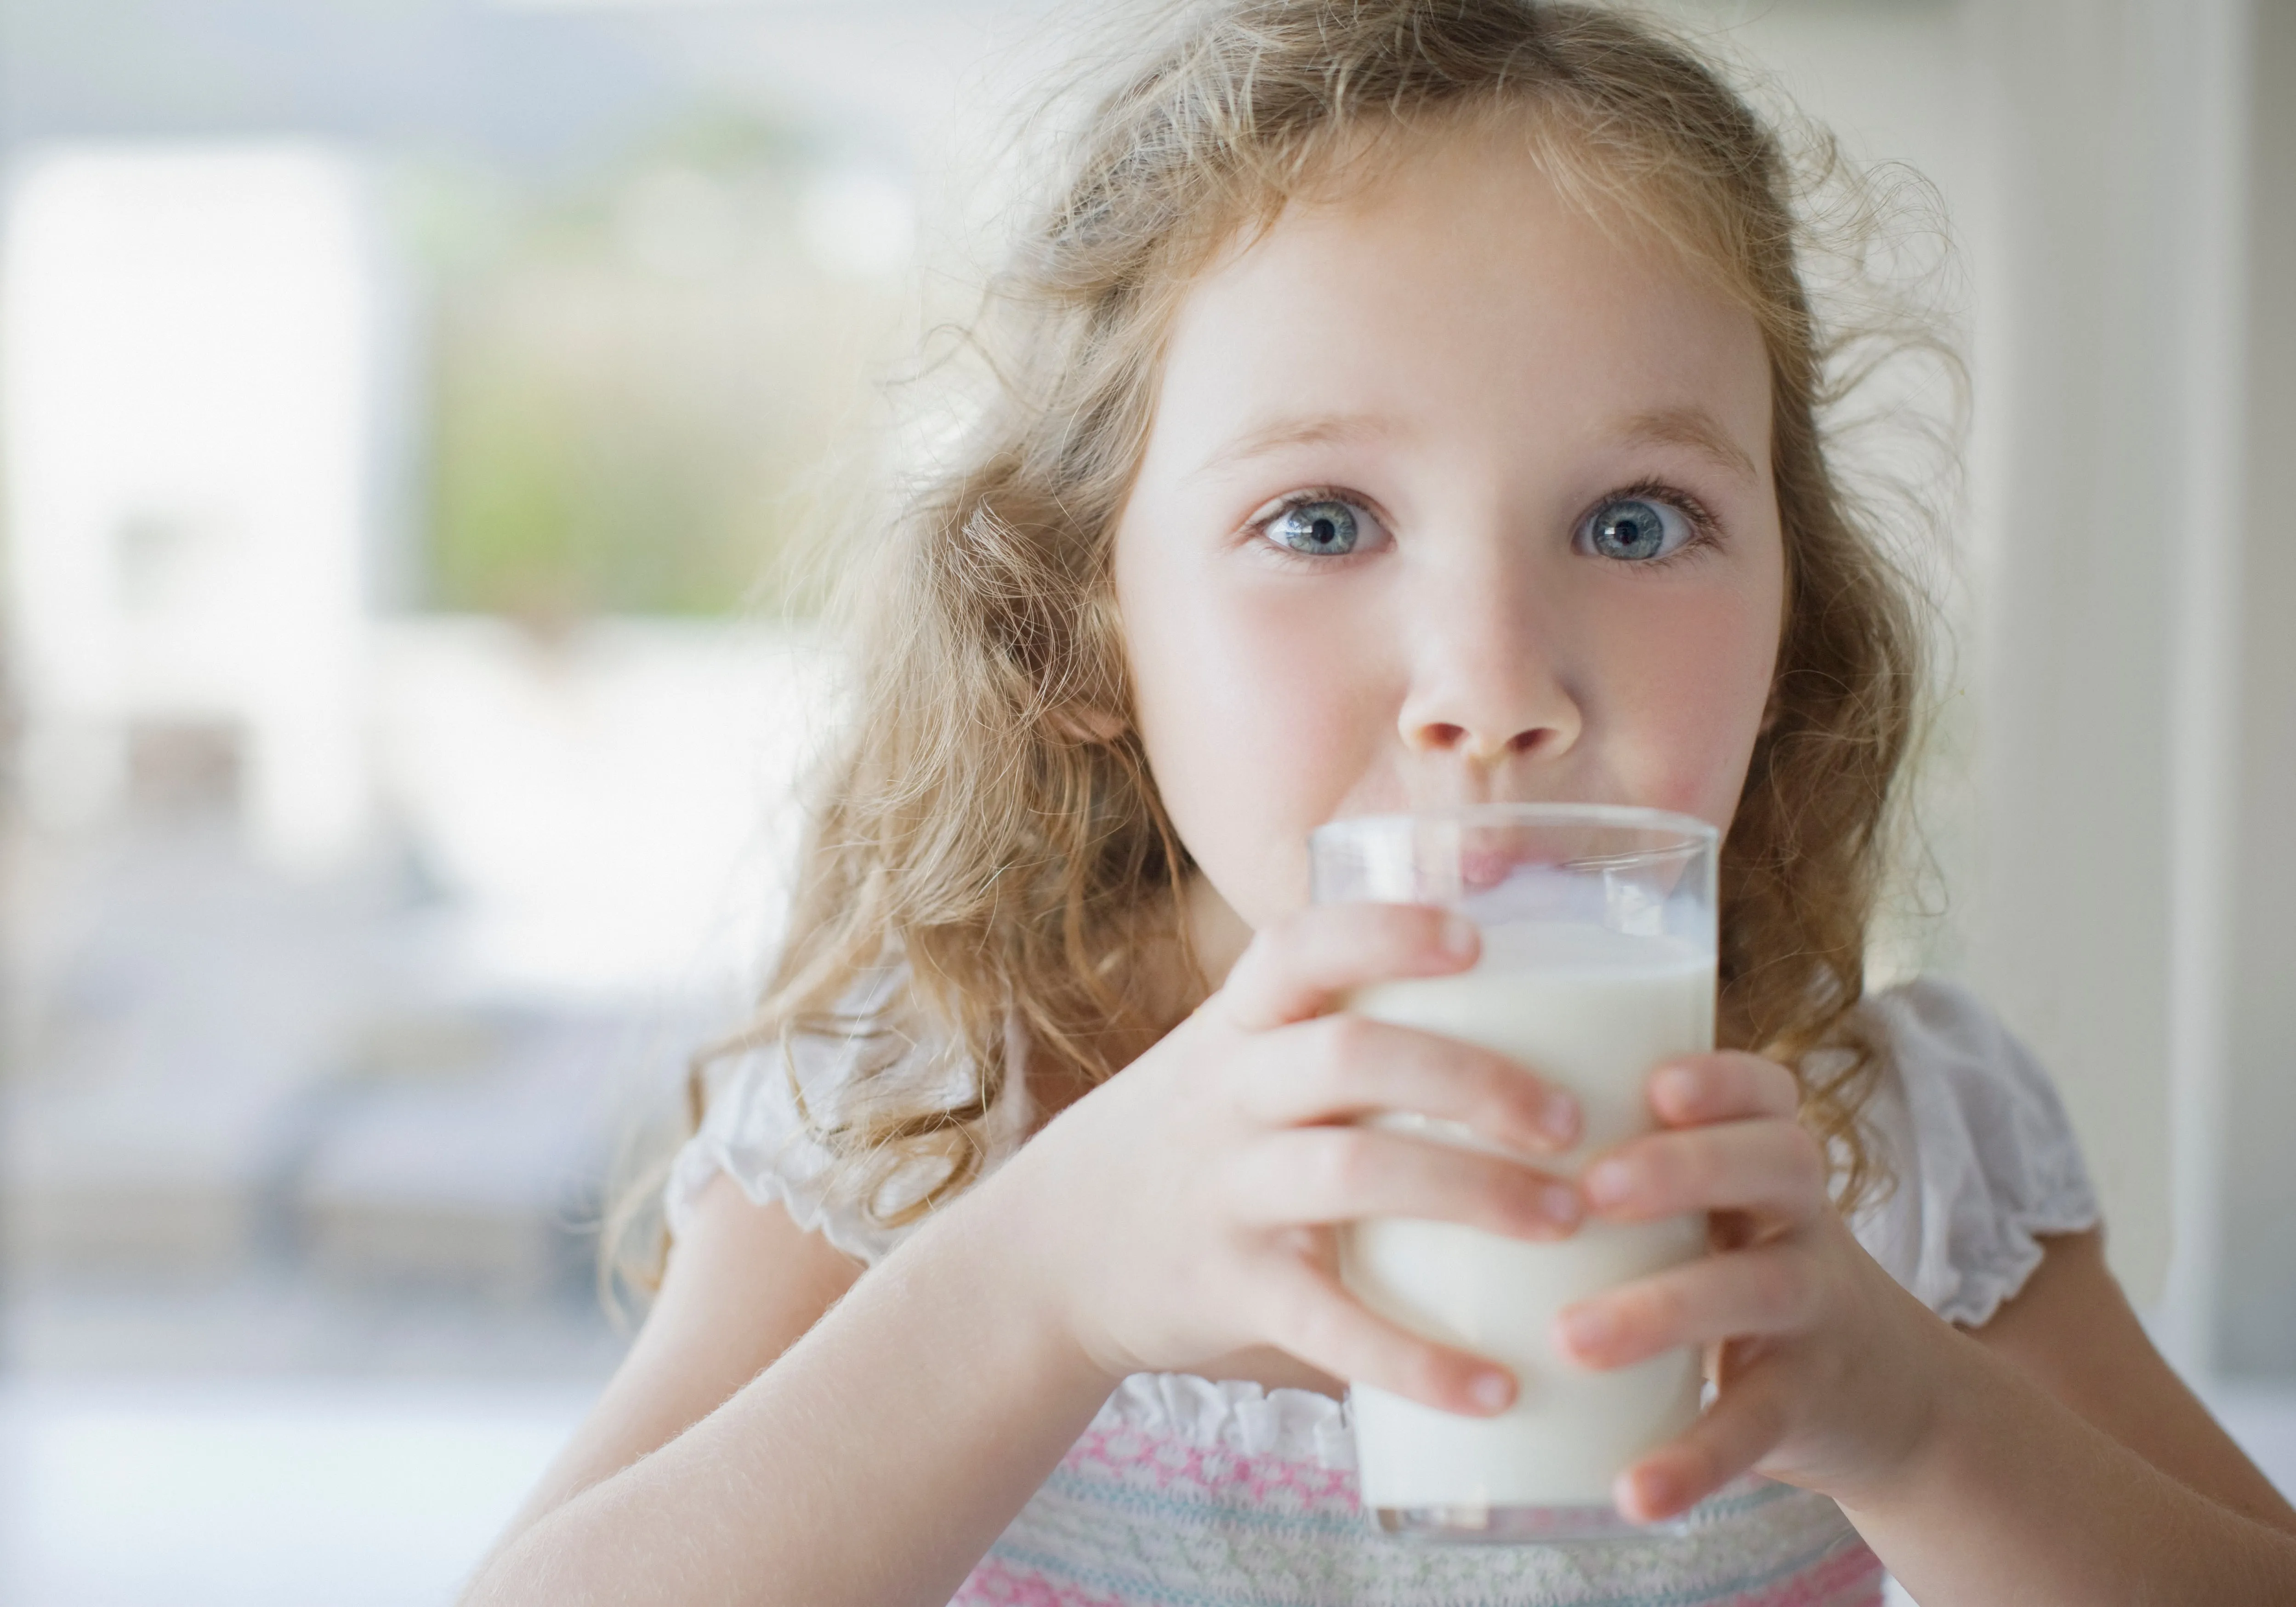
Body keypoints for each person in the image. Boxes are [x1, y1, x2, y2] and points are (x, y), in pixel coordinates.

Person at [464, 3, 2296, 1603]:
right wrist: (1033, 1284)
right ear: (1081, 631)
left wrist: (1918, 1421)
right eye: (1322, 523)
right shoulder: (924, 1119)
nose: (1495, 686)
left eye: (1637, 522)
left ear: (1791, 626)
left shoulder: (1886, 1160)